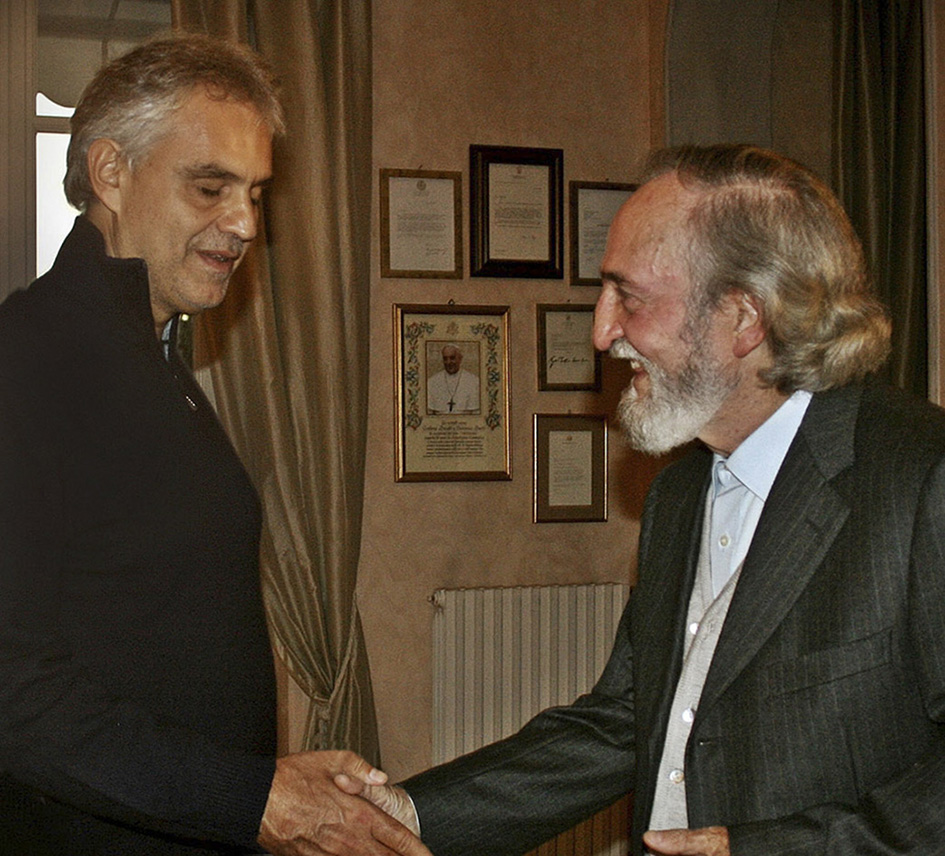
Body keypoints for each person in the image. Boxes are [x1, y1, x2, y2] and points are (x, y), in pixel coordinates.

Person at [338, 144, 945, 856]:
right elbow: (627, 722)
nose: (601, 333)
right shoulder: (679, 494)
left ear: (743, 317)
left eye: (628, 298)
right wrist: (407, 814)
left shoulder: (921, 479)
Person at [0, 33, 427, 856]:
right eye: (210, 187)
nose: (243, 224)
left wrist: (267, 786)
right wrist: (255, 796)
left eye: (255, 194)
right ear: (110, 172)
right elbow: (13, 691)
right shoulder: (25, 360)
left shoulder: (154, 357)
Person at [426, 344, 480, 414]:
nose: (448, 362)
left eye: (452, 358)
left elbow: (477, 414)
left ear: (460, 359)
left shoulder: (474, 381)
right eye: (445, 359)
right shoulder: (432, 382)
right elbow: (428, 414)